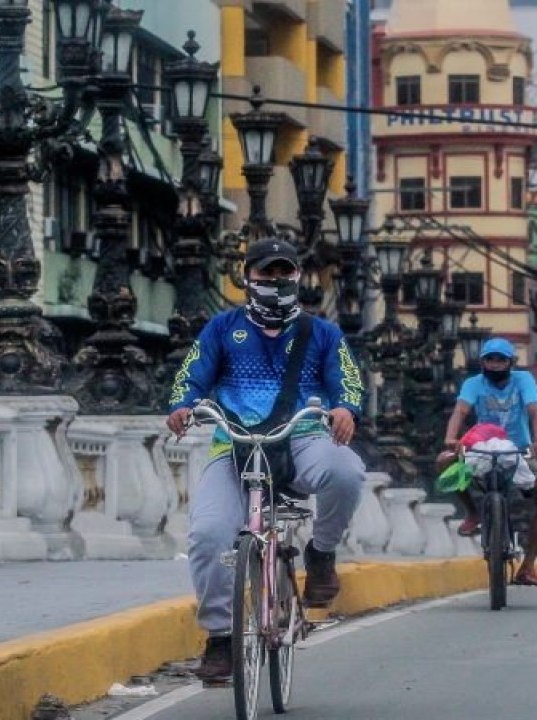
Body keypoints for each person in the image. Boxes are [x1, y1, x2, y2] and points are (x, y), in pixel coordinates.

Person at [165, 238, 366, 683]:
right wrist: (182, 404)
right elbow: (191, 373)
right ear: (247, 280)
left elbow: (347, 379)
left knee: (347, 471)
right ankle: (220, 638)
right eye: (265, 276)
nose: (275, 283)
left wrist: (346, 408)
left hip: (303, 436)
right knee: (207, 534)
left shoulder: (323, 333)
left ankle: (322, 553)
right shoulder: (222, 328)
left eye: (284, 274)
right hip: (234, 443)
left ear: (297, 278)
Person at [442, 337, 537, 587]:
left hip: (520, 451)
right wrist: (451, 438)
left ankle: (527, 566)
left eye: (500, 360)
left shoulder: (523, 380)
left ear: (511, 362)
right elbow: (460, 411)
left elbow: (535, 412)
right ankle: (472, 512)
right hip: (482, 447)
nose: (494, 364)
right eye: (489, 359)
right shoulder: (473, 383)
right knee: (444, 461)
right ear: (482, 362)